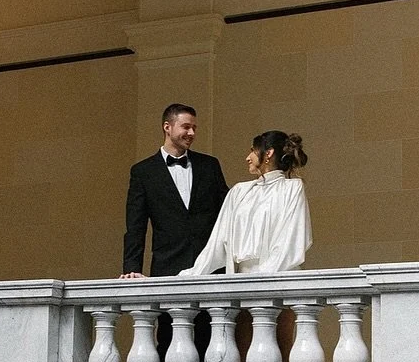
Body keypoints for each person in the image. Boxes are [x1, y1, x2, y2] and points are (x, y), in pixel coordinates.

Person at [121, 103, 229, 278]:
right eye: (186, 127)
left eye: (194, 128)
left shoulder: (210, 165)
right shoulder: (143, 172)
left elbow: (227, 212)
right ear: (167, 127)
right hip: (168, 266)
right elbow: (135, 226)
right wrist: (132, 269)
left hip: (211, 267)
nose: (192, 133)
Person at [182, 130, 311, 276]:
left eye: (253, 151)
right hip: (242, 280)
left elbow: (291, 241)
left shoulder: (292, 188)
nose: (247, 158)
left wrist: (262, 277)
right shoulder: (239, 192)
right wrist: (192, 274)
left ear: (268, 153)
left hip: (278, 278)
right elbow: (217, 243)